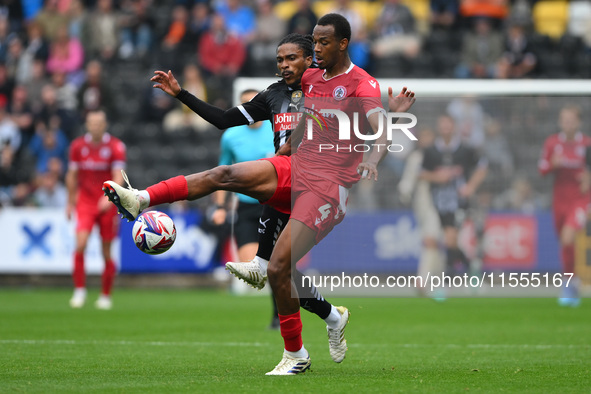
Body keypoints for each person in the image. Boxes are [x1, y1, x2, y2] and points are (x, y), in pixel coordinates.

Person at [104, 14, 415, 375]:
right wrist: (282, 155)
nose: (315, 50)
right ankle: (139, 198)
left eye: (322, 43)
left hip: (327, 186)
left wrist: (374, 158)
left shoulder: (362, 83)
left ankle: (297, 352)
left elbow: (379, 131)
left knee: (281, 270)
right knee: (226, 173)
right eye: (312, 43)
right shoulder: (309, 79)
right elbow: (309, 121)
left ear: (343, 43)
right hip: (295, 167)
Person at [150, 33, 355, 350]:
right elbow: (222, 119)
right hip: (284, 185)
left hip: (317, 190)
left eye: (291, 58)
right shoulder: (273, 96)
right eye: (279, 60)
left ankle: (298, 339)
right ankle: (329, 318)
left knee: (279, 270)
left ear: (309, 59)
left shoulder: (329, 89)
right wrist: (182, 95)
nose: (284, 65)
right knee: (282, 272)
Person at [210, 88, 278, 327]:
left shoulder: (276, 130)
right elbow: (222, 172)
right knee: (255, 270)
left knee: (276, 266)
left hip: (275, 205)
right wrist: (219, 207)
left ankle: (279, 315)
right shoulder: (230, 136)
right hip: (246, 209)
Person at [66, 109, 126, 310]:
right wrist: (69, 202)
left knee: (106, 251)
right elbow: (72, 176)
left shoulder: (116, 146)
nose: (95, 126)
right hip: (85, 202)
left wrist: (109, 196)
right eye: (92, 123)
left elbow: (118, 176)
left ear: (105, 124)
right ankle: (79, 291)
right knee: (80, 244)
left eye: (99, 123)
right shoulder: (77, 146)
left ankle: (105, 295)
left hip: (106, 203)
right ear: (87, 124)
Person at [421, 114, 487, 282]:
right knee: (450, 240)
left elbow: (482, 167)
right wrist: (438, 177)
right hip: (438, 202)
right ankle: (470, 266)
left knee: (450, 236)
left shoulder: (465, 150)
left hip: (459, 202)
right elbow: (421, 174)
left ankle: (447, 278)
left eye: (448, 125)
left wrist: (470, 187)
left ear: (454, 127)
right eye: (442, 125)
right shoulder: (431, 151)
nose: (445, 128)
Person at [538, 105, 591, 307]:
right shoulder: (552, 143)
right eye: (564, 120)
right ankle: (573, 281)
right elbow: (542, 170)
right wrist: (553, 164)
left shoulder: (587, 144)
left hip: (580, 199)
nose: (567, 123)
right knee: (564, 242)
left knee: (568, 236)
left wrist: (588, 179)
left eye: (571, 120)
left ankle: (568, 284)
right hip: (559, 200)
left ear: (578, 122)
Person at [397, 128, 443, 298]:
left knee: (431, 239)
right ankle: (434, 279)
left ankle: (422, 280)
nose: (425, 140)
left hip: (440, 203)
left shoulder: (439, 155)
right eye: (423, 137)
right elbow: (408, 179)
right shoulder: (416, 157)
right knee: (433, 241)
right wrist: (405, 193)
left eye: (429, 136)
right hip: (422, 204)